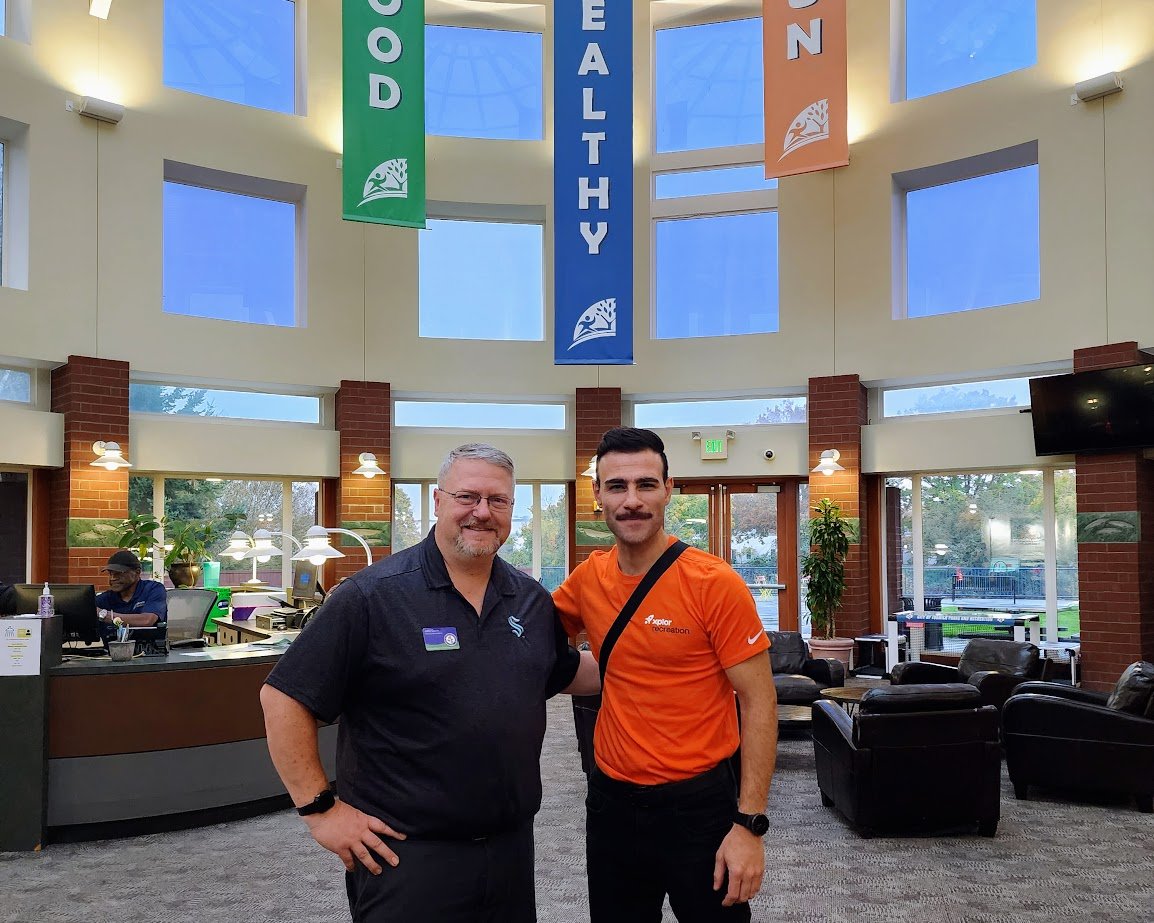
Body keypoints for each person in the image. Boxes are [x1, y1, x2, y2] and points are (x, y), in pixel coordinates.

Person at [260, 443, 598, 923]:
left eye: (498, 501)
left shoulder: (529, 599)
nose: (482, 512)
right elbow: (283, 697)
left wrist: (674, 659)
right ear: (438, 503)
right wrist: (320, 811)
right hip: (405, 857)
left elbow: (569, 673)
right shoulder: (371, 597)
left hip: (509, 849)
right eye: (467, 497)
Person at [553, 427, 778, 922]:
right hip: (611, 804)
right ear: (597, 495)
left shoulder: (713, 582)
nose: (631, 500)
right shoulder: (587, 578)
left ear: (668, 488)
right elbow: (537, 645)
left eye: (645, 485)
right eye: (616, 487)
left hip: (700, 808)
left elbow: (759, 703)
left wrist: (749, 825)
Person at [94, 550, 168, 643]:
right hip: (113, 654)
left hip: (149, 654)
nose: (113, 578)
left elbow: (147, 620)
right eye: (110, 574)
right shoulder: (105, 599)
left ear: (137, 572)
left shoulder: (153, 589)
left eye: (119, 573)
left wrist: (104, 615)